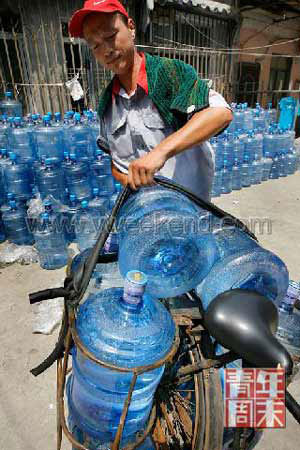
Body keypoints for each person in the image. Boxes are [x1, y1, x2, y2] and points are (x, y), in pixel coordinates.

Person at [69, 0, 233, 201]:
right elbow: (115, 161)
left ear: (131, 27)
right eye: (95, 45)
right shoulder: (107, 104)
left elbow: (221, 114)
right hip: (148, 212)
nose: (106, 50)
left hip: (191, 212)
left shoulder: (171, 74)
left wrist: (161, 152)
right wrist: (126, 178)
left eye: (110, 36)